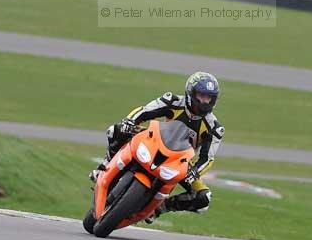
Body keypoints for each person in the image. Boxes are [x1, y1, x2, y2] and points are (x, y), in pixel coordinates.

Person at [91, 72, 224, 220]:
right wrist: (129, 121)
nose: (205, 101)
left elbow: (207, 158)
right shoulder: (172, 101)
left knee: (204, 198)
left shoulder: (214, 128)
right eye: (201, 96)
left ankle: (160, 208)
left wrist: (194, 172)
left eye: (209, 98)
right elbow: (144, 111)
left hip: (180, 163)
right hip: (153, 142)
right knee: (116, 130)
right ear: (190, 93)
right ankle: (104, 165)